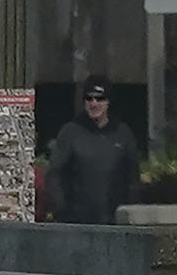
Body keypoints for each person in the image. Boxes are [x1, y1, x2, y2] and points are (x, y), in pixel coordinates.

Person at [42, 79, 143, 223]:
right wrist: (61, 210)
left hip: (115, 222)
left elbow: (133, 177)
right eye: (89, 98)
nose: (94, 104)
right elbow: (55, 175)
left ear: (108, 102)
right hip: (77, 223)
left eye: (99, 99)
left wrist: (130, 209)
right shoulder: (71, 132)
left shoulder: (122, 133)